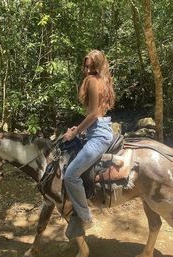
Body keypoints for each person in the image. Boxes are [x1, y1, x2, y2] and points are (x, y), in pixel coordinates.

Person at [63, 49, 115, 230]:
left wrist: (75, 132)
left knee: (70, 175)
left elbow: (93, 114)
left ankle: (86, 218)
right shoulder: (103, 80)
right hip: (99, 129)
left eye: (91, 67)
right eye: (85, 66)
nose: (86, 70)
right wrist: (79, 129)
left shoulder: (93, 81)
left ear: (98, 67)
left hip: (98, 134)